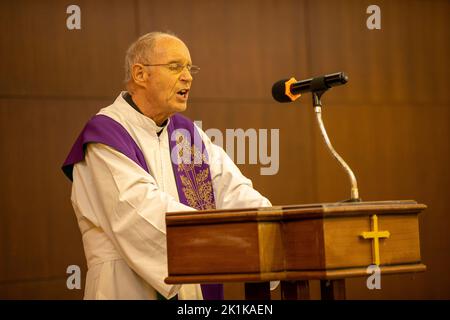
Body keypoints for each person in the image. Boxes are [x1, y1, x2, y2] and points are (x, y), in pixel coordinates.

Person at [62, 32, 272, 300]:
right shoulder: (105, 135)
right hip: (126, 288)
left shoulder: (186, 135)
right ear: (140, 74)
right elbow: (138, 211)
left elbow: (234, 190)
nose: (188, 76)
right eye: (175, 67)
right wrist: (226, 240)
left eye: (189, 68)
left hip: (190, 290)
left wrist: (271, 230)